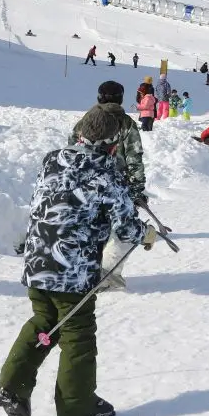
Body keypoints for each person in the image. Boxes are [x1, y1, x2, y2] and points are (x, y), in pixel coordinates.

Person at [0, 108, 156, 416]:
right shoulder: (107, 172)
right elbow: (124, 228)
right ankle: (76, 407)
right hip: (73, 269)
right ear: (113, 143)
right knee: (78, 334)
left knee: (44, 321)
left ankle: (12, 386)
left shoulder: (52, 159)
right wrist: (146, 233)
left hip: (38, 260)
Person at [68, 84, 148, 293]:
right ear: (121, 98)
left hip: (83, 181)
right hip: (116, 183)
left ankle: (85, 269)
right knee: (121, 227)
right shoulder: (126, 123)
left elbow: (71, 147)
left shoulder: (87, 119)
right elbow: (134, 155)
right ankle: (108, 274)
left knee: (91, 226)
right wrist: (137, 188)